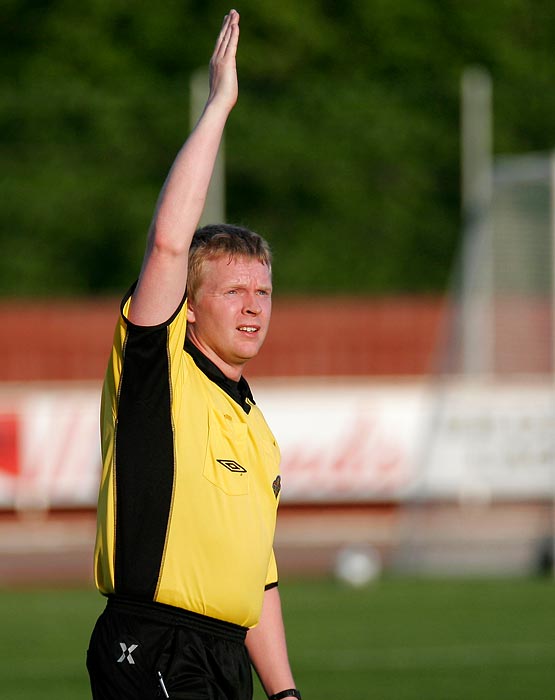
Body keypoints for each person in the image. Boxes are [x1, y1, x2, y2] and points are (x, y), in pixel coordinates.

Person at [87, 10, 300, 700]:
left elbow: (256, 577)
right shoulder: (160, 372)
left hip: (224, 660)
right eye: (233, 289)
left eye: (262, 291)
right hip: (149, 643)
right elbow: (168, 246)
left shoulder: (256, 429)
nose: (252, 305)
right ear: (190, 304)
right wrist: (219, 105)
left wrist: (286, 692)